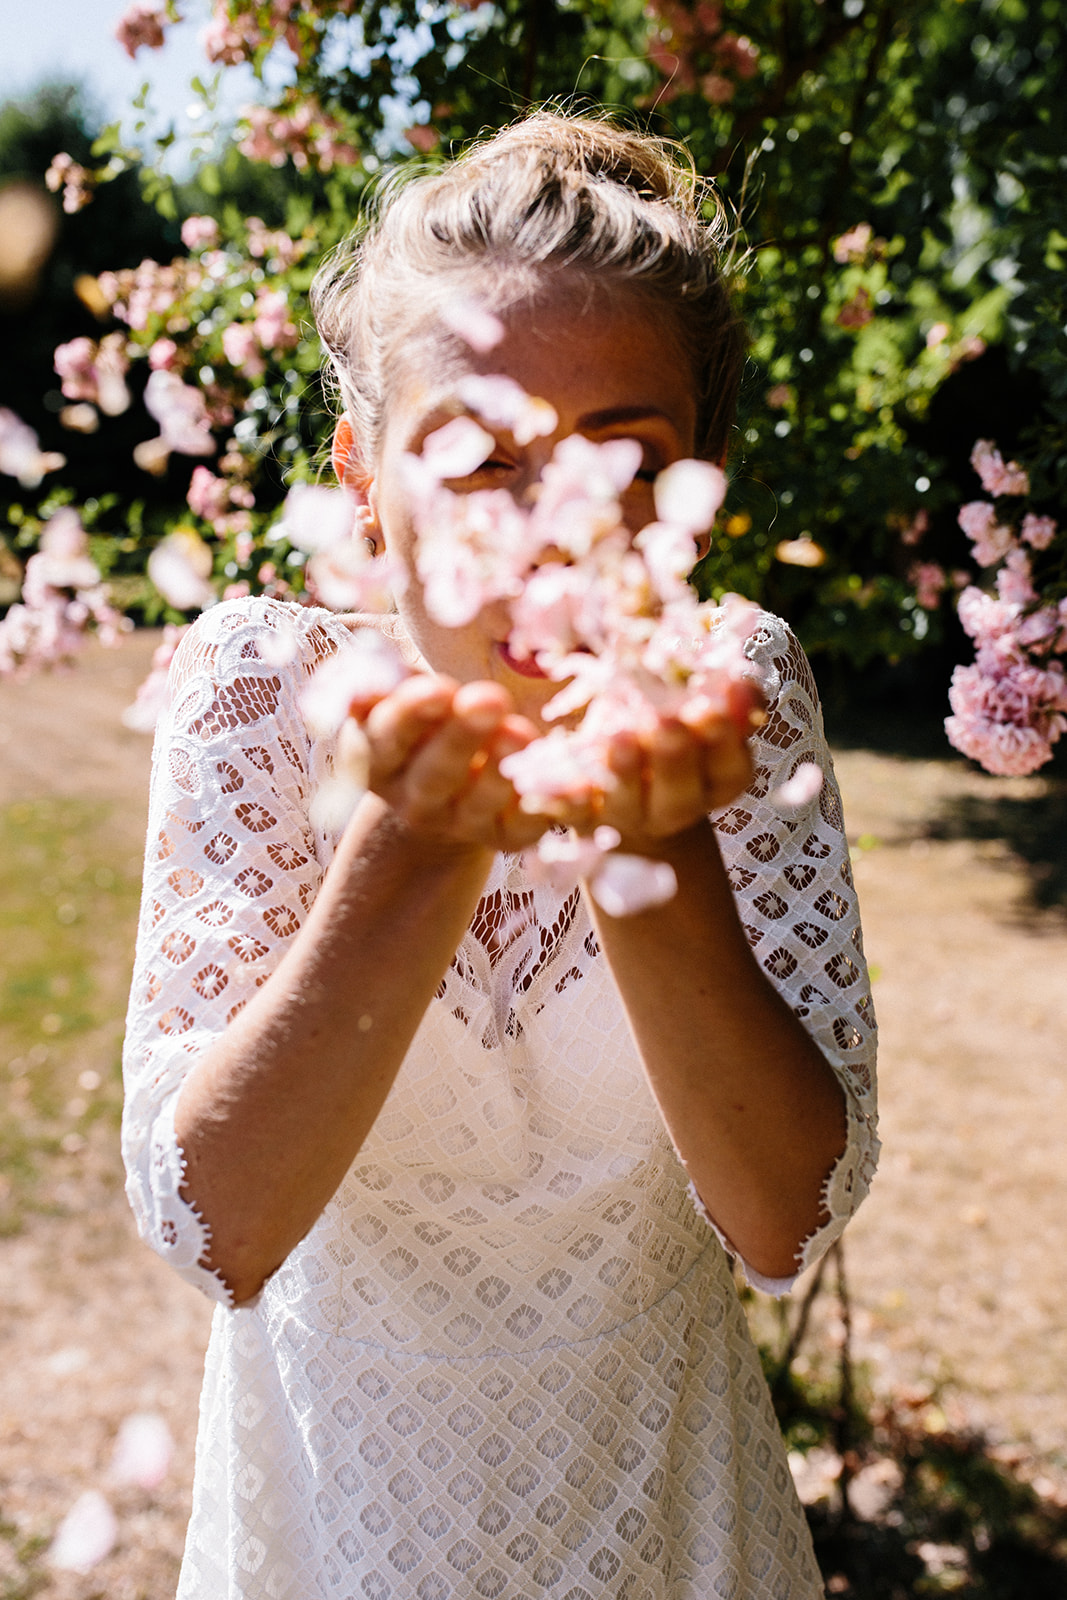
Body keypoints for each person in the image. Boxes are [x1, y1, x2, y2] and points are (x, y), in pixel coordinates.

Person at [122, 112, 878, 1600]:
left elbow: (781, 1220)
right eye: (476, 459)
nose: (552, 533)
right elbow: (223, 1230)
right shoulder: (256, 693)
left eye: (626, 460)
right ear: (365, 484)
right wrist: (414, 845)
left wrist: (648, 843)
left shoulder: (739, 686)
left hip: (669, 1509)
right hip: (333, 1525)